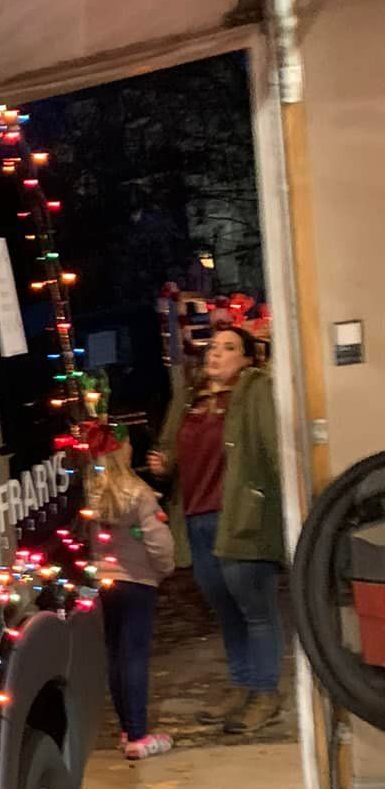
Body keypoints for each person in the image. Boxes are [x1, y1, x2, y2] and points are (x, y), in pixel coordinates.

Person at [147, 325, 285, 736]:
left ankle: (265, 694)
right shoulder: (191, 398)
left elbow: (272, 447)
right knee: (225, 610)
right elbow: (170, 448)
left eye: (229, 348)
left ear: (247, 358)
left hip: (241, 516)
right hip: (197, 518)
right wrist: (163, 462)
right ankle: (242, 685)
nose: (216, 354)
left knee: (255, 610)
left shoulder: (254, 390)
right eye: (212, 347)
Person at [85, 422, 176, 759]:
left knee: (115, 655)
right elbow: (157, 539)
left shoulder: (91, 492)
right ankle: (138, 736)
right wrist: (165, 567)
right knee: (135, 654)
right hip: (137, 581)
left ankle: (126, 727)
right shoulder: (138, 493)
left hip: (103, 582)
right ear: (123, 451)